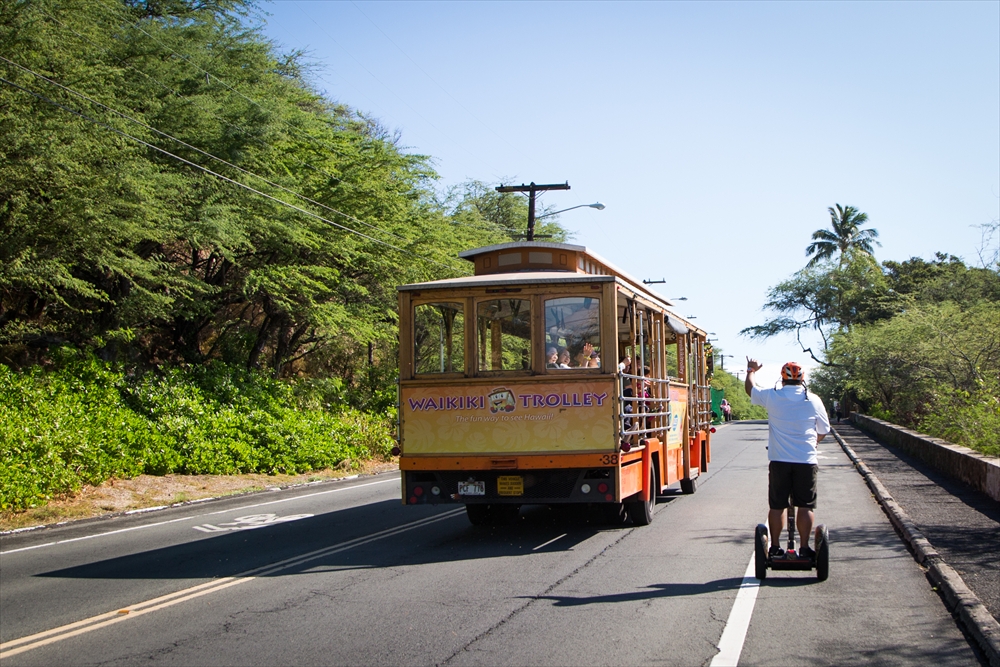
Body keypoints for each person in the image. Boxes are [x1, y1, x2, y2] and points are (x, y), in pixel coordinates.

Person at [745, 358, 830, 560]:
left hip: (780, 460)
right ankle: (804, 548)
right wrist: (814, 442)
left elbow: (751, 389)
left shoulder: (773, 396)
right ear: (802, 380)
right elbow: (824, 430)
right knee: (805, 505)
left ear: (782, 379)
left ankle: (774, 547)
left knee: (777, 505)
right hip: (806, 460)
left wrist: (751, 370)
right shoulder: (814, 400)